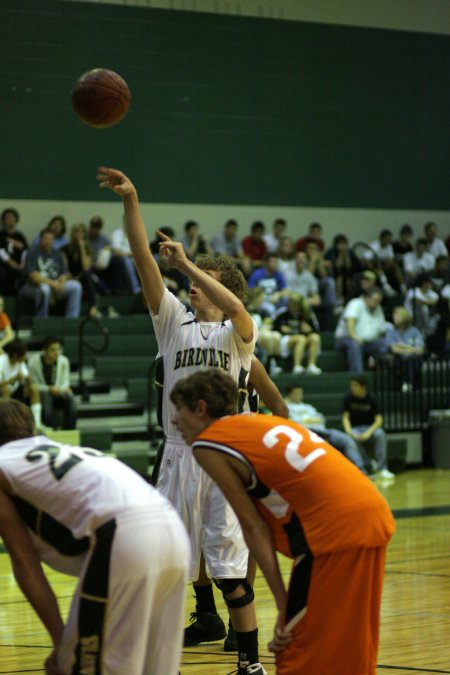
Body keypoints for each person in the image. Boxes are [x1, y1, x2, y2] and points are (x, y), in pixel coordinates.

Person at [97, 167, 265, 675]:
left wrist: (189, 265)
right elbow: (144, 261)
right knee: (168, 565)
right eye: (191, 283)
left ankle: (249, 664)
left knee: (231, 570)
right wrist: (132, 203)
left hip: (225, 455)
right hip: (177, 453)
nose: (191, 289)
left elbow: (237, 307)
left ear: (217, 286)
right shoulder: (172, 323)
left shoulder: (239, 336)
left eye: (201, 284)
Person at [170, 369, 396, 675]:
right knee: (351, 646)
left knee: (295, 650)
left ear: (199, 408)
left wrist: (282, 602)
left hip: (333, 530)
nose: (173, 420)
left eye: (178, 410)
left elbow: (253, 527)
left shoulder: (208, 443)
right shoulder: (260, 421)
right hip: (372, 511)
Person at [0, 398, 189, 675]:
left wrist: (61, 641)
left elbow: (24, 562)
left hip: (123, 536)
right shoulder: (64, 450)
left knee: (83, 666)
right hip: (172, 528)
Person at [284, 383, 370, 476]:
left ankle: (361, 471)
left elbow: (321, 418)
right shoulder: (287, 407)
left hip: (323, 432)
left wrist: (309, 420)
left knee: (347, 440)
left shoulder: (308, 407)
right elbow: (292, 422)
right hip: (306, 433)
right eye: (296, 393)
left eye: (300, 393)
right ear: (290, 394)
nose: (299, 395)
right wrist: (309, 420)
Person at [18, 229, 82, 319]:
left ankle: (72, 319)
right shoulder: (32, 252)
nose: (48, 241)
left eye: (51, 239)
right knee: (45, 289)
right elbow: (33, 276)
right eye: (46, 238)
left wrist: (62, 283)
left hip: (56, 286)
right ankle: (42, 320)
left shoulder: (57, 253)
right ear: (40, 239)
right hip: (35, 287)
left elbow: (64, 273)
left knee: (76, 286)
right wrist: (53, 284)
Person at [341, 375, 395, 480]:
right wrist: (349, 431)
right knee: (350, 438)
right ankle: (367, 464)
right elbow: (345, 417)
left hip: (369, 428)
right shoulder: (348, 398)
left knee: (380, 434)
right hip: (355, 428)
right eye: (352, 385)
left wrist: (369, 433)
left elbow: (379, 420)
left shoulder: (372, 399)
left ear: (363, 387)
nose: (352, 388)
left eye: (355, 385)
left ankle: (382, 468)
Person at [27, 336, 77, 429]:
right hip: (42, 392)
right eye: (53, 350)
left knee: (71, 397)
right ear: (44, 350)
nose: (56, 352)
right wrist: (49, 389)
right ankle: (49, 429)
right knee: (46, 398)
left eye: (58, 349)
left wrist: (60, 389)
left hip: (59, 391)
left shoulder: (64, 361)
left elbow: (66, 381)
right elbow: (34, 384)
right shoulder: (33, 362)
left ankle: (70, 429)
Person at [334, 287, 389, 372]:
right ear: (367, 298)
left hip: (366, 343)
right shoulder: (355, 304)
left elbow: (381, 329)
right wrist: (354, 337)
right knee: (354, 344)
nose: (378, 303)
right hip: (345, 339)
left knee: (385, 343)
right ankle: (358, 377)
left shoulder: (378, 308)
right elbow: (350, 321)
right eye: (375, 300)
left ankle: (378, 370)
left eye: (379, 300)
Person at [0, 339, 46, 432]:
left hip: (17, 390)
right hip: (3, 392)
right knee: (6, 389)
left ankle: (37, 423)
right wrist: (12, 380)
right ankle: (8, 423)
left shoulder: (20, 363)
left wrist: (29, 381)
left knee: (33, 388)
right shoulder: (1, 362)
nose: (25, 357)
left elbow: (25, 378)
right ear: (15, 355)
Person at [272, 293, 322, 375]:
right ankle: (297, 366)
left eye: (295, 304)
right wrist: (281, 329)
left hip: (304, 338)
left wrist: (310, 330)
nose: (292, 306)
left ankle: (311, 365)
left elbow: (317, 330)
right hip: (286, 339)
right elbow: (273, 327)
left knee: (315, 337)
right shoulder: (282, 313)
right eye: (291, 303)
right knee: (301, 339)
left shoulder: (308, 314)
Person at [61, 223, 100, 318]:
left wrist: (82, 247)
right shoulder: (65, 249)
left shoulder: (88, 249)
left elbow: (86, 267)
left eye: (82, 232)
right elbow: (64, 268)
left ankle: (93, 306)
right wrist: (70, 276)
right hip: (69, 277)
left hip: (83, 277)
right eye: (77, 232)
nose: (79, 234)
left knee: (88, 276)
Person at [383, 307, 425, 391]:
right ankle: (411, 384)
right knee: (409, 359)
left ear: (405, 316)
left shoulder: (414, 331)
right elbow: (395, 350)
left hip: (414, 359)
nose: (394, 316)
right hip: (398, 361)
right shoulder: (391, 332)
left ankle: (407, 383)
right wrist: (411, 349)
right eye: (393, 314)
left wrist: (403, 347)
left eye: (397, 314)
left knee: (412, 359)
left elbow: (420, 349)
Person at [0, 207, 28, 295]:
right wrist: (12, 263)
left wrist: (22, 264)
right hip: (4, 265)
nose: (10, 219)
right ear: (4, 220)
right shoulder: (1, 235)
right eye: (7, 217)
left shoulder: (20, 236)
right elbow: (0, 252)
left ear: (16, 219)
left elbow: (25, 251)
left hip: (20, 265)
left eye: (13, 217)